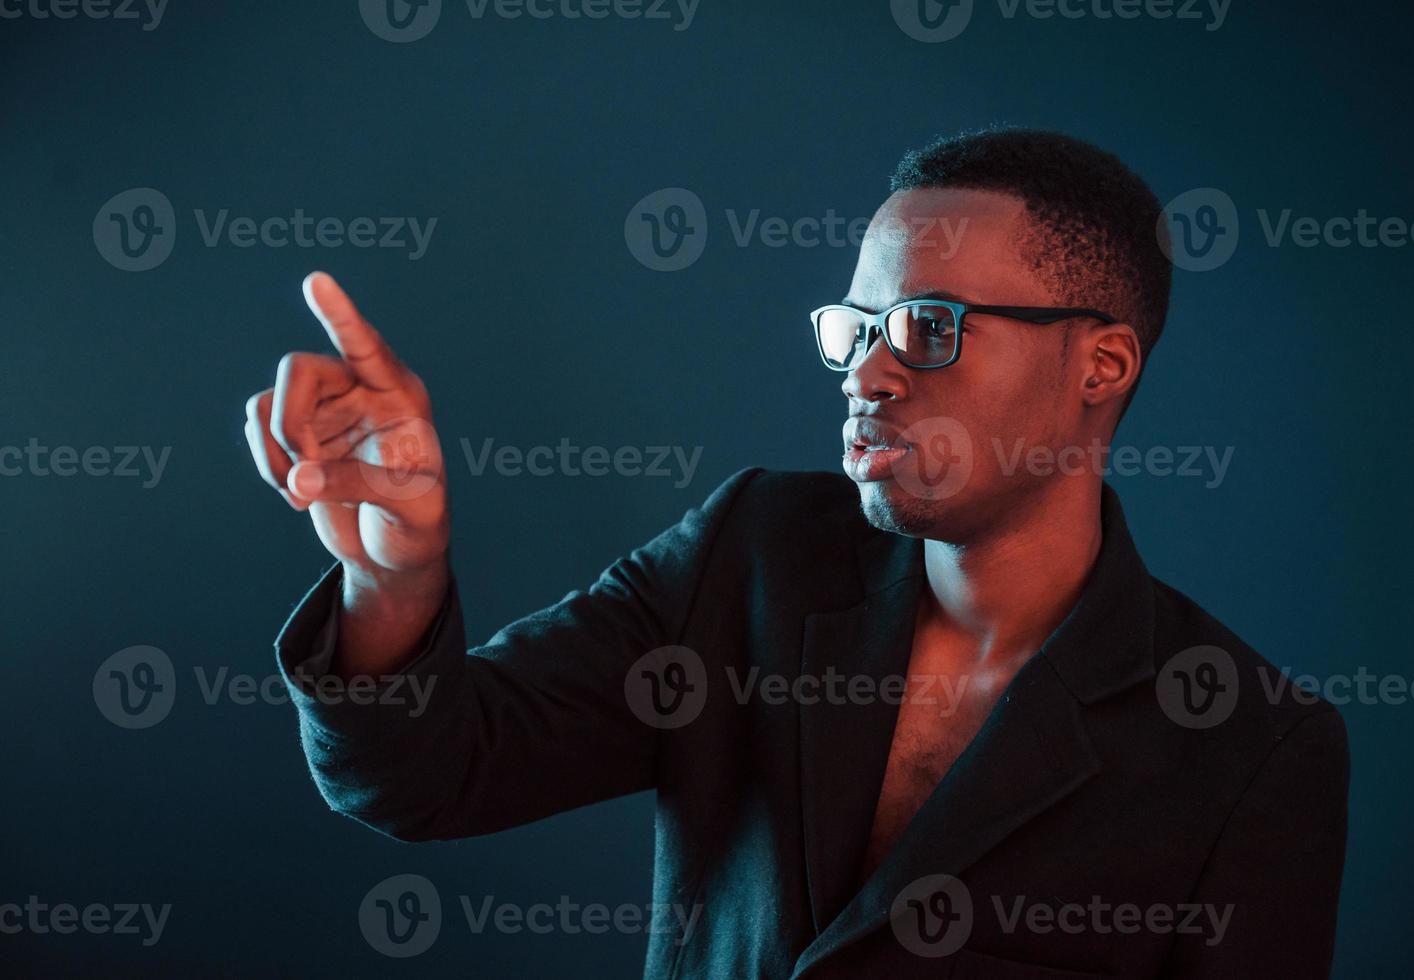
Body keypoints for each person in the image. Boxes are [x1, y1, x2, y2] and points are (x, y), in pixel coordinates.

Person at [243, 128, 1349, 979]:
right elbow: (427, 771)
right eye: (854, 329)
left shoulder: (1247, 745)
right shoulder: (749, 556)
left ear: (1101, 364)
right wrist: (393, 573)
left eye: (927, 326)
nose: (867, 373)